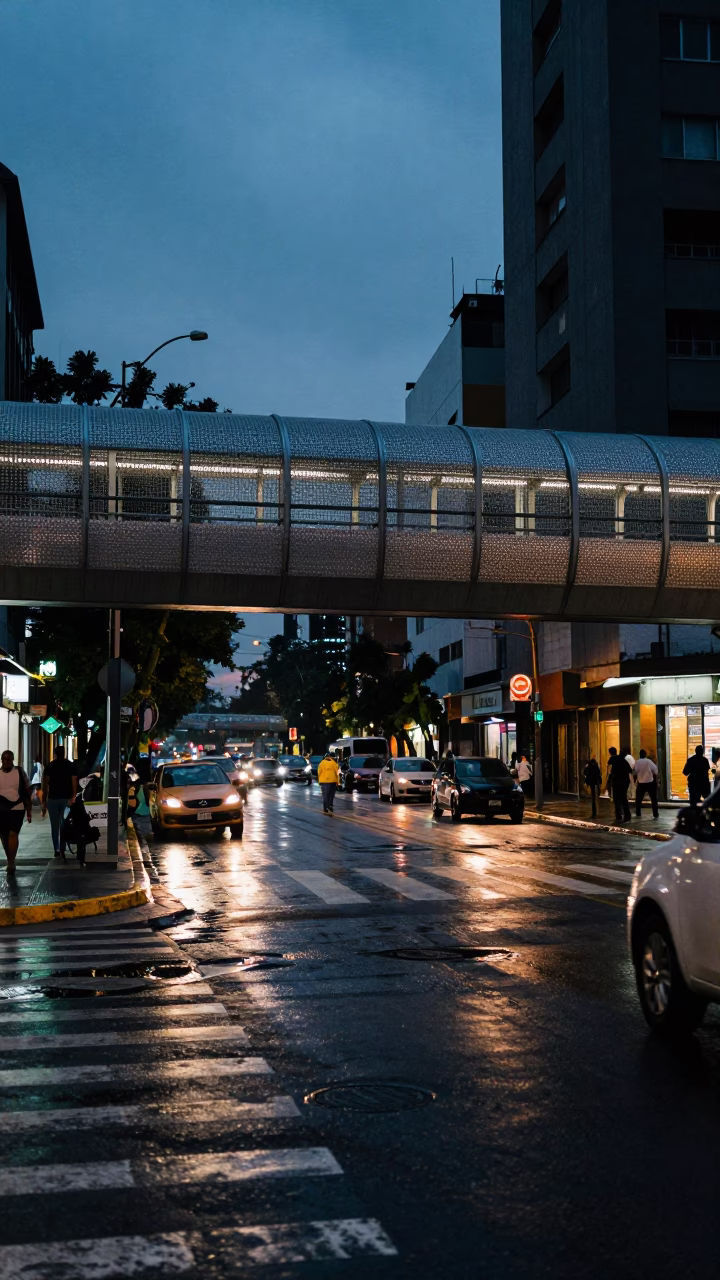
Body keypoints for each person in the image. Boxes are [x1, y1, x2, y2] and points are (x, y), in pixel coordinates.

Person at [41, 746, 78, 859]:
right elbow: (74, 781)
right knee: (64, 824)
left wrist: (44, 802)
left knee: (54, 826)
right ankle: (62, 848)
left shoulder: (50, 766)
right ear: (64, 753)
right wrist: (74, 796)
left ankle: (56, 848)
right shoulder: (70, 765)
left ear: (55, 754)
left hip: (52, 800)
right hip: (66, 800)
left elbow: (44, 785)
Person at [0, 750, 32, 877]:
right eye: (4, 759)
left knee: (13, 834)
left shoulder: (19, 771)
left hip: (17, 808)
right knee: (4, 836)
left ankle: (11, 862)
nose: (6, 761)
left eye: (9, 759)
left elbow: (27, 790)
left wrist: (29, 810)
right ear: (1, 759)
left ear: (12, 760)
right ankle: (9, 859)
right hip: (1, 809)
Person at [609, 747, 633, 822]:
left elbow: (610, 770)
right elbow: (630, 770)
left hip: (617, 781)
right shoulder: (624, 761)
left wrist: (610, 780)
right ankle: (627, 815)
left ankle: (618, 816)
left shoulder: (613, 759)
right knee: (623, 798)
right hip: (625, 782)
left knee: (617, 799)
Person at [634, 749, 659, 818]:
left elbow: (635, 771)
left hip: (641, 782)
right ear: (645, 754)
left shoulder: (637, 762)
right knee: (653, 799)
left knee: (638, 800)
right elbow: (655, 769)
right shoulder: (648, 761)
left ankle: (638, 813)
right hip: (650, 782)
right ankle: (655, 813)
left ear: (640, 754)